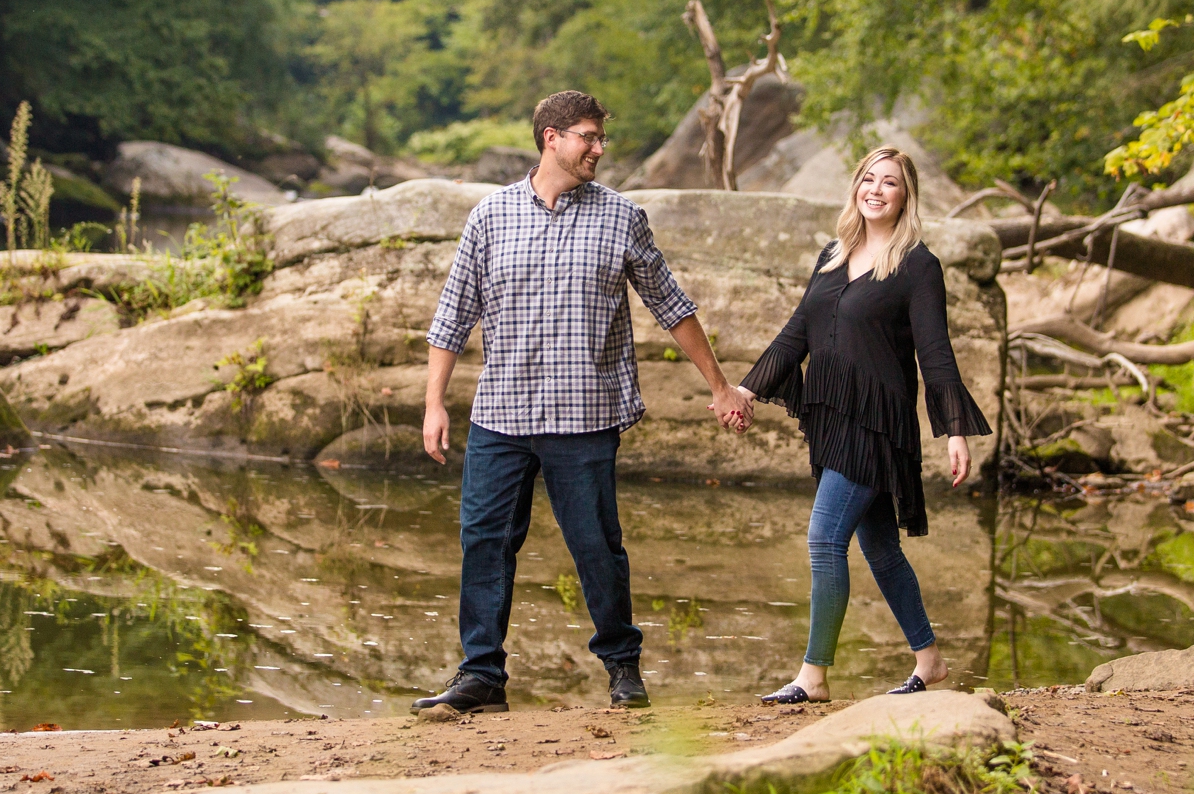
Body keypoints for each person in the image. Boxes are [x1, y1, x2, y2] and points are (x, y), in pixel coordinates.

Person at [413, 90, 753, 714]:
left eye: (600, 138)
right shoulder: (490, 217)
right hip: (501, 417)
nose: (599, 148)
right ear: (551, 137)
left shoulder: (622, 217)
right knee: (483, 540)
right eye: (588, 137)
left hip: (585, 416)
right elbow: (452, 316)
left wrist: (719, 384)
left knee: (597, 545)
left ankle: (623, 668)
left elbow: (671, 306)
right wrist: (435, 404)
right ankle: (481, 674)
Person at [736, 145, 991, 704]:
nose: (876, 189)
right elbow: (796, 332)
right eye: (868, 179)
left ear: (906, 196)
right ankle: (930, 659)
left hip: (876, 423)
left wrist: (954, 431)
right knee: (879, 549)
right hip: (833, 415)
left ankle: (814, 676)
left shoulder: (917, 265)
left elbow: (935, 352)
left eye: (890, 183)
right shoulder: (834, 253)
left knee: (824, 539)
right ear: (856, 187)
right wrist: (745, 389)